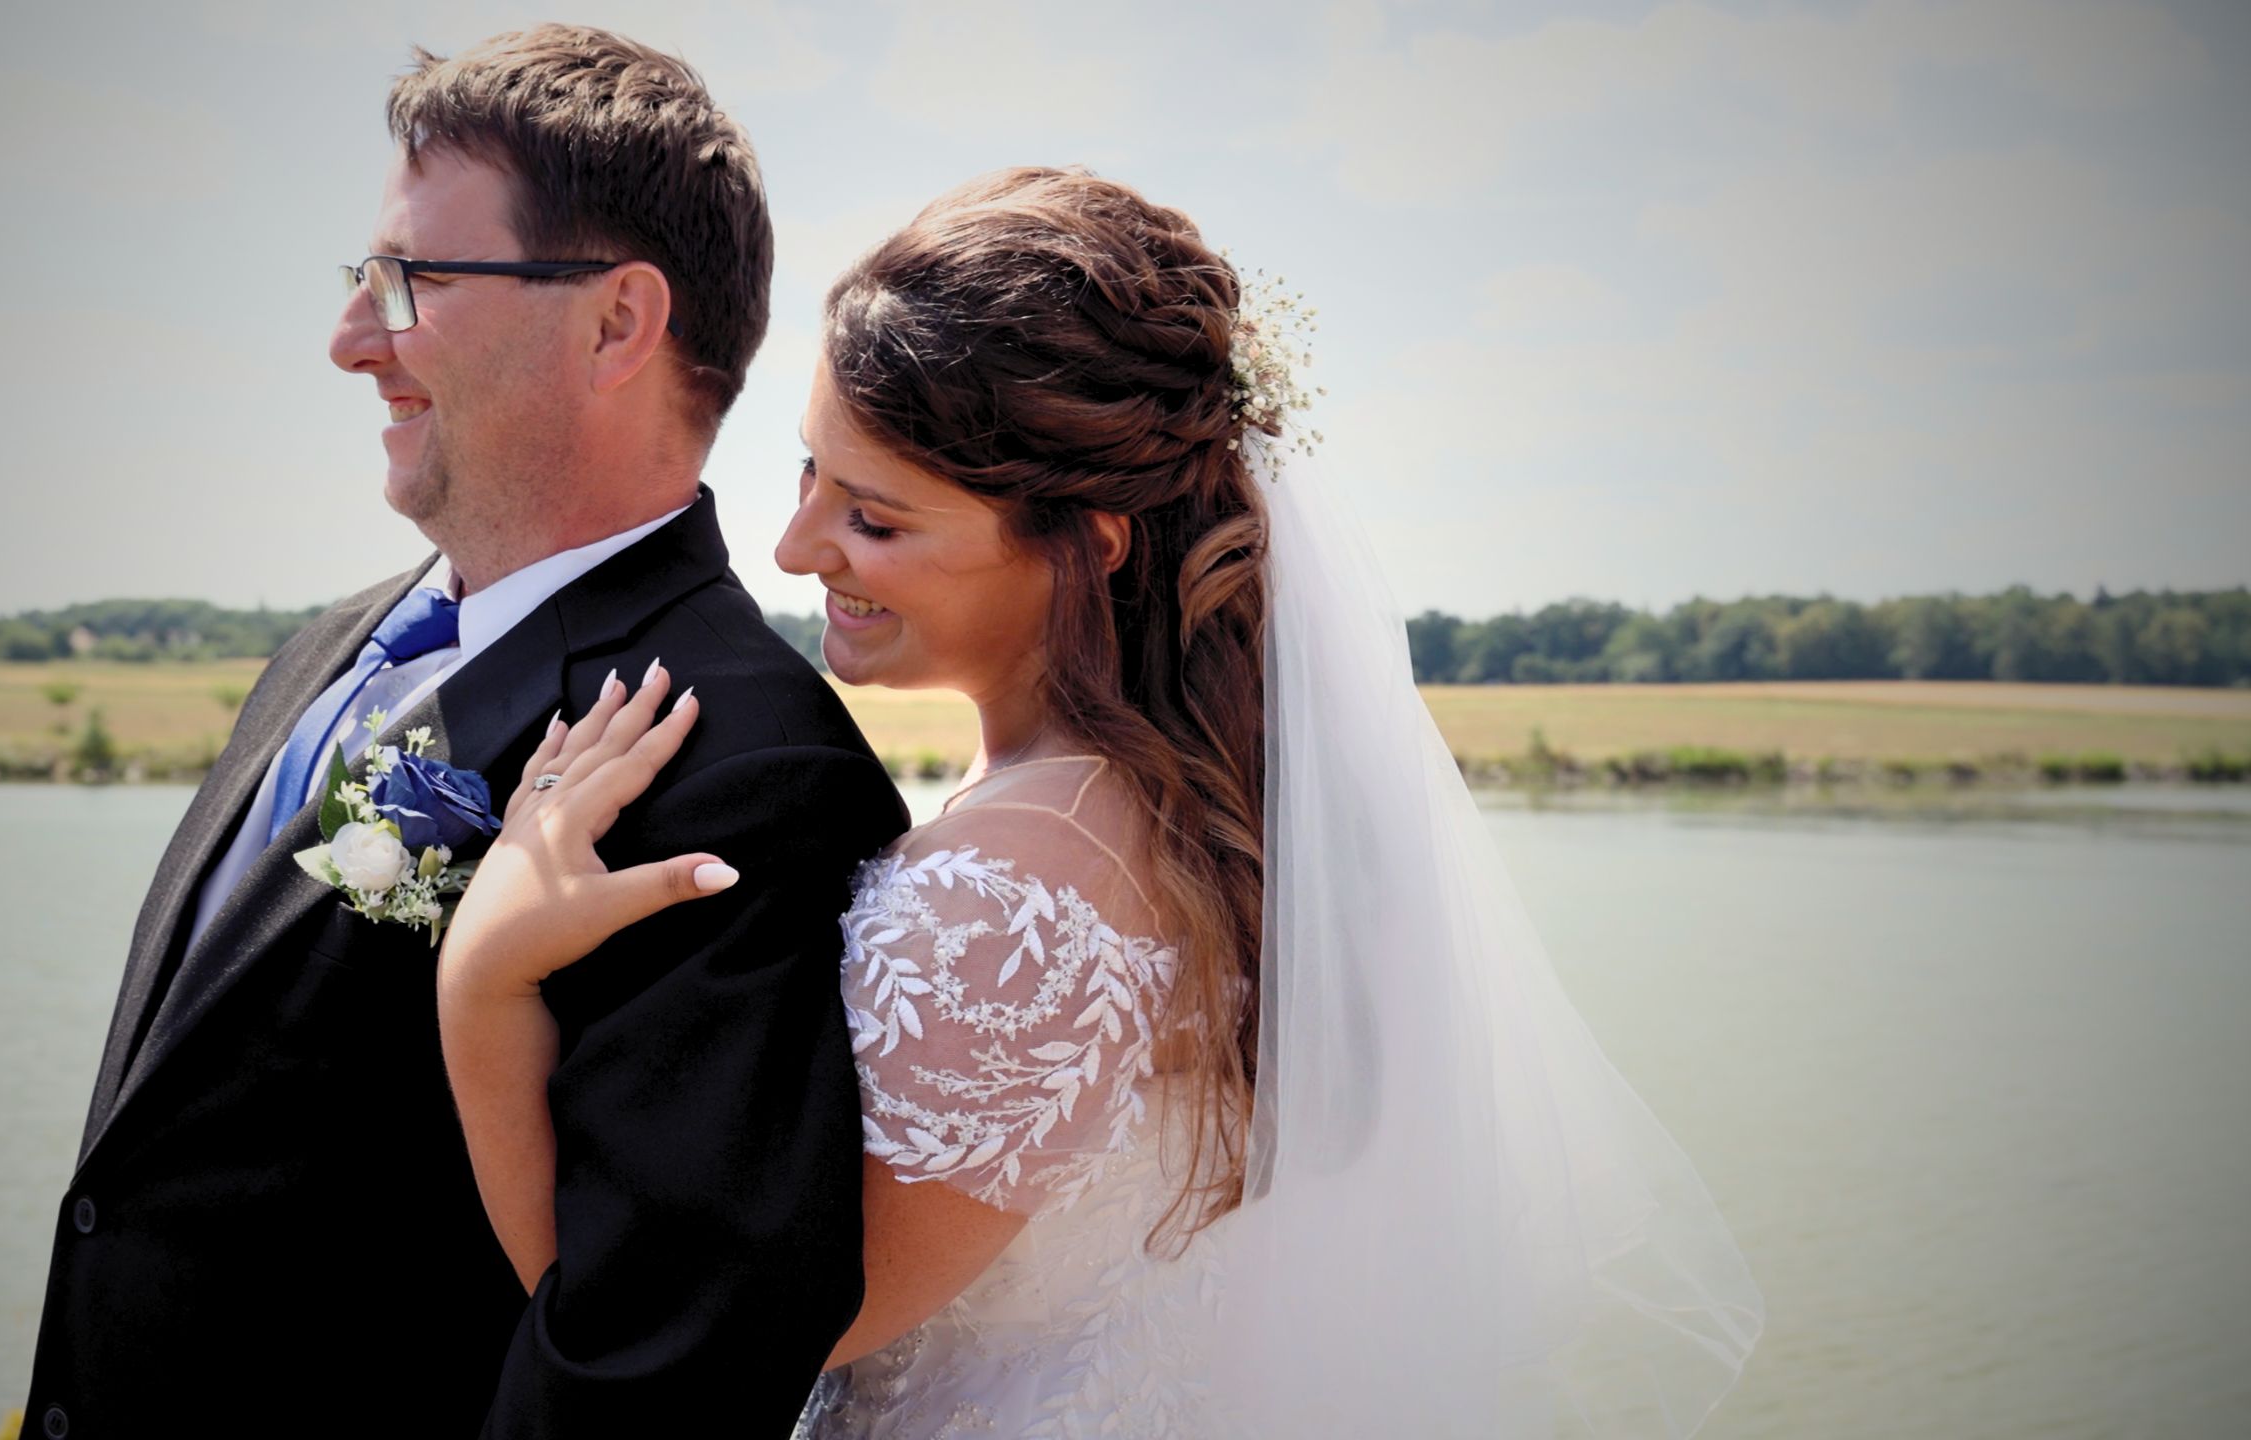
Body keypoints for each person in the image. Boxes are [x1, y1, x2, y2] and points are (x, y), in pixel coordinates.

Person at [442, 167, 1765, 1436]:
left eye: (877, 519)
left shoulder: (1020, 891)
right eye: (808, 474)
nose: (794, 548)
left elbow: (711, 1337)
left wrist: (485, 988)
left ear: (1087, 545)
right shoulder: (1182, 798)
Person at [19, 26, 906, 1439]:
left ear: (617, 323)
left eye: (411, 281)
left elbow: (650, 1369)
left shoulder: (748, 766)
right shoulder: (327, 648)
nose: (349, 340)